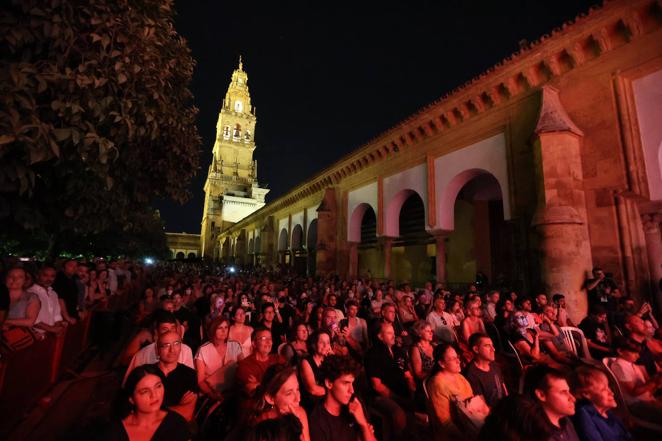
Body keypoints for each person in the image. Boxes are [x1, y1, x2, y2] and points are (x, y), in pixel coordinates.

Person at [103, 364, 190, 441]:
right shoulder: (113, 431)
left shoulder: (176, 424)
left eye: (158, 386)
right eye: (145, 391)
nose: (154, 395)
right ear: (131, 399)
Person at [365, 322, 415, 440]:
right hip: (382, 396)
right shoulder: (373, 354)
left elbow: (408, 375)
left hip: (402, 392)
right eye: (389, 333)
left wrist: (412, 390)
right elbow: (377, 385)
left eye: (393, 333)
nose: (394, 336)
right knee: (399, 414)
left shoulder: (398, 351)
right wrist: (397, 398)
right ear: (380, 336)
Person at [427, 343, 487, 441]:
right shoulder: (437, 383)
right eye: (452, 359)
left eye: (457, 357)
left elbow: (472, 404)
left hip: (471, 424)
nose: (458, 361)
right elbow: (445, 421)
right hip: (456, 434)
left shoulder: (460, 377)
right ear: (442, 363)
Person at [309, 355, 377, 441]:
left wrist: (363, 424)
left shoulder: (355, 407)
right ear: (329, 383)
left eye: (352, 383)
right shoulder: (317, 421)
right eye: (345, 383)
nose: (351, 390)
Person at [124, 311, 194, 385]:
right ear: (156, 332)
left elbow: (190, 380)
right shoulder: (143, 354)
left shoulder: (186, 350)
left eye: (173, 328)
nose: (169, 332)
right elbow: (130, 385)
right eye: (165, 329)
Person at [569, 365, 633, 441]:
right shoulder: (583, 414)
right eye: (603, 389)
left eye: (608, 386)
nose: (611, 393)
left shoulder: (605, 410)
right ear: (586, 394)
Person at [249, 364, 311, 441]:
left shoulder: (299, 414)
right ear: (270, 398)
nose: (298, 399)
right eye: (289, 393)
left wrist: (296, 425)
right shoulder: (262, 428)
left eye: (298, 389)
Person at [609, 337, 662, 424]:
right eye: (633, 352)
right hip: (636, 404)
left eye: (638, 352)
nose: (638, 355)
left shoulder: (630, 364)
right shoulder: (620, 366)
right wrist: (655, 382)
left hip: (646, 399)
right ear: (620, 351)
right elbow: (634, 392)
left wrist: (656, 378)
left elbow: (645, 384)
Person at [523, 365, 579, 441]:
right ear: (541, 395)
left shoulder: (565, 422)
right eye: (563, 392)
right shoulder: (538, 435)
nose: (573, 398)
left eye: (568, 391)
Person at [152, 331, 198, 422]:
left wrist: (154, 411)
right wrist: (178, 407)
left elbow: (187, 414)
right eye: (166, 345)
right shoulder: (147, 372)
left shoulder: (190, 374)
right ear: (157, 350)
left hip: (176, 430)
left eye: (176, 344)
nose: (172, 350)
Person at [195, 316, 244, 401]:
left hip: (234, 393)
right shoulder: (203, 350)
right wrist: (212, 395)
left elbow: (244, 368)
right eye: (220, 328)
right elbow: (200, 381)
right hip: (211, 394)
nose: (224, 331)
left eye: (226, 327)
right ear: (213, 330)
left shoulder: (235, 346)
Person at [235, 327, 283, 398]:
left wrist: (259, 384)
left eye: (270, 339)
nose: (268, 341)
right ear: (254, 343)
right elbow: (256, 394)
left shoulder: (278, 359)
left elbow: (289, 382)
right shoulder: (245, 365)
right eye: (263, 338)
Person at [464, 333, 507, 408]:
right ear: (476, 349)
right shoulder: (471, 374)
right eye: (487, 346)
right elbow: (482, 406)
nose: (493, 349)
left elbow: (504, 388)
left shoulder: (494, 365)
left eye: (492, 345)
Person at [28, 265, 67, 335]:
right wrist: (51, 329)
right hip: (36, 335)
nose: (49, 279)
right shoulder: (30, 292)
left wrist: (56, 328)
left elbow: (57, 315)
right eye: (45, 275)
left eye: (52, 276)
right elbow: (30, 318)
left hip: (50, 335)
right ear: (37, 276)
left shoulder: (53, 293)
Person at [299, 330, 332, 410]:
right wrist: (333, 391)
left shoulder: (329, 359)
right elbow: (313, 389)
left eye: (328, 343)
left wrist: (334, 359)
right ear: (314, 345)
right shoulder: (306, 362)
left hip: (328, 401)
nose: (325, 345)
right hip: (313, 404)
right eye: (321, 342)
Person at [52, 259, 79, 324]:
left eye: (76, 266)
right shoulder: (59, 279)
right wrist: (67, 317)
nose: (74, 268)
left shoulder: (72, 278)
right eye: (71, 266)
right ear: (63, 267)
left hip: (71, 312)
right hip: (62, 316)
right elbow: (60, 299)